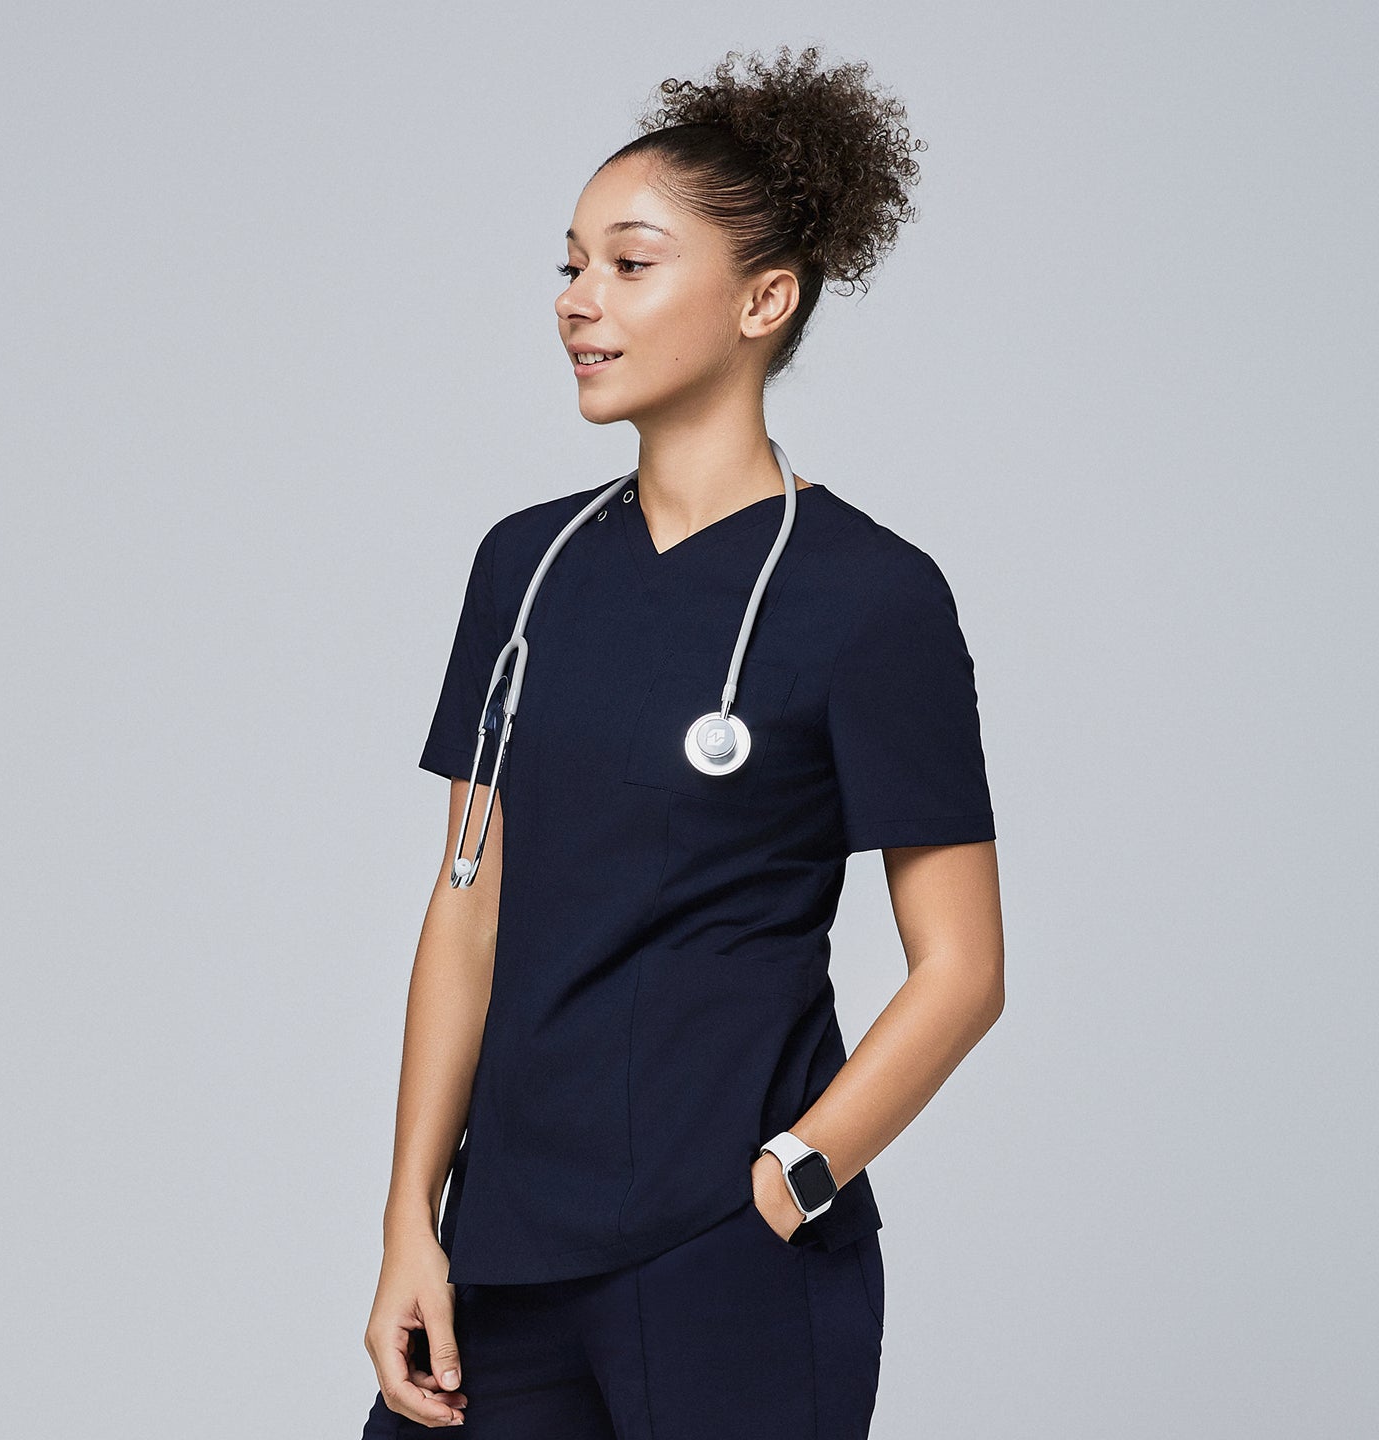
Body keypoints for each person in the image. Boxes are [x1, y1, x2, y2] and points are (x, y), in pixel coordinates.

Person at [361, 44, 1005, 1438]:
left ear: (764, 300)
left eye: (630, 265)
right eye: (571, 264)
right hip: (500, 1249)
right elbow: (467, 907)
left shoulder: (871, 598)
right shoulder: (526, 567)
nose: (576, 300)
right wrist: (413, 1217)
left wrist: (793, 1180)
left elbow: (963, 968)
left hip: (727, 1256)